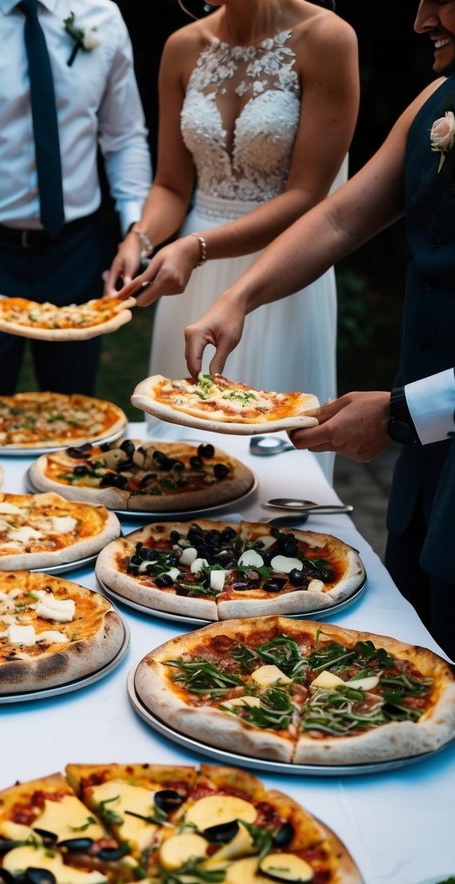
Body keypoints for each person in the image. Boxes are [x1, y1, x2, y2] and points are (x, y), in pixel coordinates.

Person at [182, 0, 455, 660]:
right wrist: (238, 297)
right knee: (415, 639)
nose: (419, 20)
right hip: (428, 459)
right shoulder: (435, 101)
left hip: (428, 422)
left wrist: (400, 414)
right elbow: (338, 220)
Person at [109, 0, 358, 435]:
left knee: (276, 441)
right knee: (181, 448)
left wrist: (197, 248)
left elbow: (307, 195)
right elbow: (170, 185)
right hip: (191, 281)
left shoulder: (328, 38)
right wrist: (140, 240)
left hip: (286, 273)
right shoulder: (183, 45)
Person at [0, 0, 152, 401]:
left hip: (77, 250)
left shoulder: (102, 16)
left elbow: (125, 137)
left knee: (77, 412)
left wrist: (134, 231)